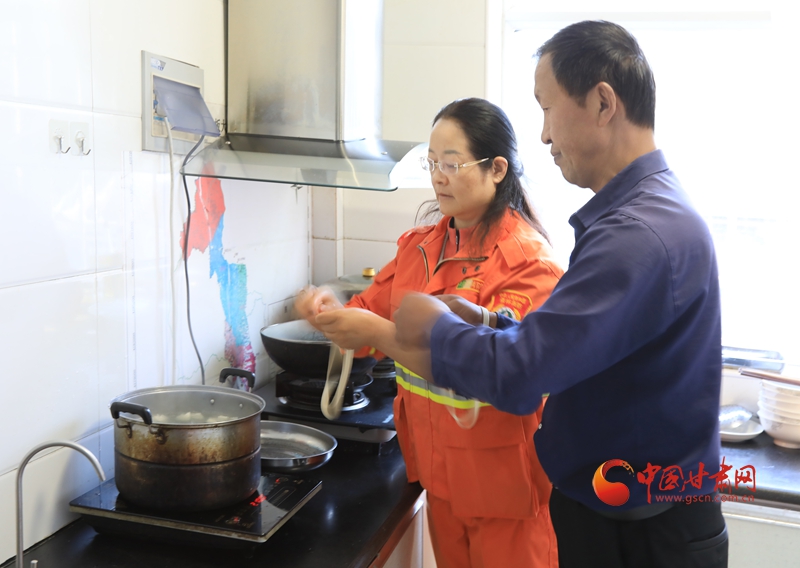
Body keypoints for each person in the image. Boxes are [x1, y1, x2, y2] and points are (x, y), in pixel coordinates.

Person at [392, 21, 728, 568]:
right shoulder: (646, 212)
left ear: (603, 103)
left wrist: (431, 329)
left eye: (547, 109)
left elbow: (524, 374)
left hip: (639, 534)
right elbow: (581, 349)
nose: (545, 136)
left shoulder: (636, 235)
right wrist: (490, 322)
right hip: (628, 514)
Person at [296, 98, 563, 568]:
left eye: (452, 164)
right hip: (440, 481)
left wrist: (375, 330)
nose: (438, 177)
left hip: (505, 493)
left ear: (497, 169)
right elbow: (364, 317)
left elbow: (497, 370)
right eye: (432, 163)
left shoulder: (529, 263)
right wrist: (329, 311)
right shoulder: (420, 248)